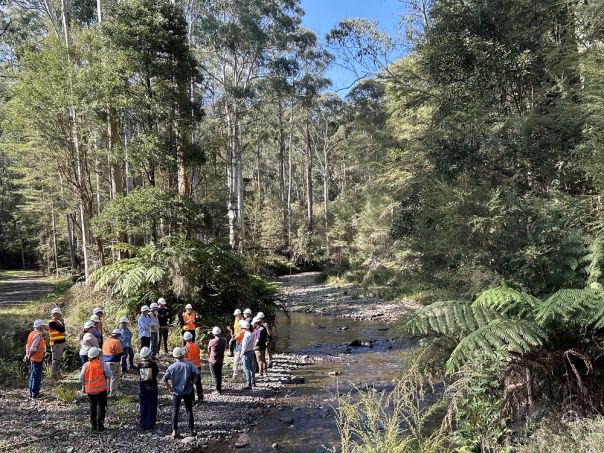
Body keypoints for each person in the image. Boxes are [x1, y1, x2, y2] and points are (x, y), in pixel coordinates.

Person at [163, 347, 199, 439]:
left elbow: (165, 379)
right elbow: (197, 373)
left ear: (174, 356)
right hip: (188, 391)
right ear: (183, 355)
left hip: (176, 392)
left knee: (175, 411)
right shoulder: (189, 364)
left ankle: (174, 430)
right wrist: (193, 381)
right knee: (189, 411)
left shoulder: (171, 367)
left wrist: (169, 388)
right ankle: (191, 430)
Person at [80, 346, 111, 432]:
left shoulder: (86, 365)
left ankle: (93, 425)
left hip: (90, 391)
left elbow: (80, 378)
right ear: (97, 355)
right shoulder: (101, 363)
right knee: (101, 406)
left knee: (92, 407)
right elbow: (108, 373)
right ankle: (100, 425)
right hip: (101, 390)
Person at [24, 319, 47, 399]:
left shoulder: (32, 333)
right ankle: (35, 393)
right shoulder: (37, 335)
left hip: (33, 358)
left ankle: (31, 393)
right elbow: (33, 348)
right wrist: (29, 356)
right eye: (43, 326)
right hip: (36, 359)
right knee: (36, 376)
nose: (44, 327)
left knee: (32, 375)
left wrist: (27, 355)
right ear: (39, 326)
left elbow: (27, 345)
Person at [137, 346, 159, 431]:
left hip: (143, 388)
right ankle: (150, 426)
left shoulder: (139, 365)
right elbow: (156, 373)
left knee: (143, 406)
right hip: (152, 387)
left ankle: (143, 424)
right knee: (152, 406)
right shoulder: (153, 364)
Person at [102, 329, 124, 397]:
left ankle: (106, 392)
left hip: (105, 362)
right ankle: (112, 394)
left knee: (108, 378)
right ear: (118, 335)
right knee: (114, 377)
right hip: (114, 362)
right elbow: (120, 352)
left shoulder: (106, 341)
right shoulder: (116, 342)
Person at [183, 331, 203, 402]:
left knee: (191, 383)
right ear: (191, 338)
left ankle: (192, 399)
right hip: (198, 366)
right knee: (198, 383)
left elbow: (184, 359)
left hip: (190, 368)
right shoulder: (196, 345)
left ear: (185, 339)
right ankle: (200, 397)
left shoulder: (185, 348)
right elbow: (198, 354)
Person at [207, 326, 227, 394]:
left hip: (213, 361)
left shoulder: (211, 341)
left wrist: (208, 358)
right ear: (220, 333)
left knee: (214, 376)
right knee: (219, 375)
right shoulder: (224, 340)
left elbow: (208, 351)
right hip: (220, 360)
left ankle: (218, 390)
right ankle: (219, 388)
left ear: (213, 334)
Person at [48, 307, 66, 379]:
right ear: (54, 314)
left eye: (59, 314)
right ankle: (54, 375)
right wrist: (63, 322)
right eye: (58, 314)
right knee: (55, 360)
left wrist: (61, 322)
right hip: (56, 343)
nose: (59, 316)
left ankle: (58, 374)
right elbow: (62, 330)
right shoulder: (52, 323)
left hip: (60, 343)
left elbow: (62, 330)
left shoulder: (58, 322)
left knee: (59, 359)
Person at [227, 309, 244, 378]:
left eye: (237, 315)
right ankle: (236, 374)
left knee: (239, 358)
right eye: (235, 315)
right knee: (237, 358)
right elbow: (236, 330)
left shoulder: (242, 322)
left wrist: (235, 337)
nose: (236, 316)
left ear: (240, 314)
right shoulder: (236, 320)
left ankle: (238, 374)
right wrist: (232, 332)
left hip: (242, 342)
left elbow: (242, 332)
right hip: (237, 341)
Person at [239, 320, 255, 390]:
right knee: (251, 368)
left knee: (246, 368)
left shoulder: (246, 336)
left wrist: (241, 355)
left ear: (245, 328)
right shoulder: (251, 334)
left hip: (246, 353)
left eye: (242, 328)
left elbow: (244, 347)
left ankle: (249, 384)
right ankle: (253, 382)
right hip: (251, 351)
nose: (241, 329)